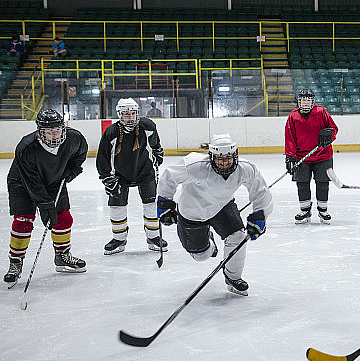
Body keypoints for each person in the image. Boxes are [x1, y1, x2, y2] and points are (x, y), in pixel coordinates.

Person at [156, 134, 273, 295]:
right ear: (211, 157)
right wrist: (165, 203)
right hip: (192, 212)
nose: (224, 163)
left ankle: (233, 277)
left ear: (235, 155)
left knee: (238, 237)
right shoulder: (195, 165)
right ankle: (209, 245)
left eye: (228, 158)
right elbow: (169, 176)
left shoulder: (246, 168)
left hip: (222, 207)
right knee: (201, 256)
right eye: (219, 159)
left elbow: (261, 192)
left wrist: (260, 215)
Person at [4, 109, 88, 287]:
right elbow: (32, 183)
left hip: (54, 180)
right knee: (23, 220)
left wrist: (73, 169)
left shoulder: (74, 139)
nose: (54, 135)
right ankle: (16, 262)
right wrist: (44, 204)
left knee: (63, 218)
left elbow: (81, 154)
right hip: (22, 182)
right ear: (40, 132)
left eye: (57, 130)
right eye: (49, 131)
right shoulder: (26, 148)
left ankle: (62, 256)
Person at [96, 98, 166, 255]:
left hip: (145, 172)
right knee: (116, 206)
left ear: (138, 113)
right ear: (119, 115)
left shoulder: (147, 127)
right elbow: (103, 157)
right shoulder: (111, 132)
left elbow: (155, 144)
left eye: (133, 114)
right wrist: (106, 177)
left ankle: (153, 237)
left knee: (151, 204)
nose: (130, 117)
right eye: (126, 114)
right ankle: (119, 239)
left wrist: (158, 154)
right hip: (120, 175)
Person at [284, 89, 338, 224]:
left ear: (312, 101)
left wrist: (329, 136)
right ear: (299, 101)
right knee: (302, 183)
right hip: (302, 157)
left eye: (309, 100)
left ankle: (323, 210)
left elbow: (334, 128)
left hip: (322, 155)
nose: (306, 102)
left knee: (323, 183)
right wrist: (290, 156)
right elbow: (289, 138)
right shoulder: (293, 116)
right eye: (303, 99)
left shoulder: (321, 112)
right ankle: (305, 211)